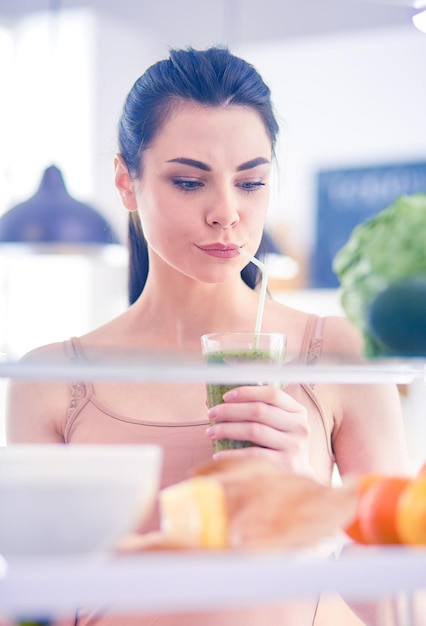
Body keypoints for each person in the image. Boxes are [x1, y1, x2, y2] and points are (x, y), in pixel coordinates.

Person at [5, 46, 410, 626]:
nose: (227, 212)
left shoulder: (341, 355)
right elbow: (32, 604)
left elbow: (404, 608)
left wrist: (315, 503)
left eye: (251, 183)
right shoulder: (52, 381)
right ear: (126, 180)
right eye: (190, 182)